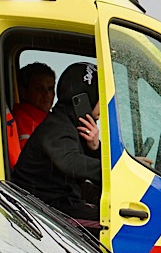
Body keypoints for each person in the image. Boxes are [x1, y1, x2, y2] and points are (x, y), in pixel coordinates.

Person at [9, 60, 102, 222]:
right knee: (114, 220)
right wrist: (114, 170)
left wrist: (94, 148)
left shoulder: (67, 122)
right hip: (38, 208)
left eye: (50, 89)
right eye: (100, 98)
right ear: (83, 99)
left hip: (53, 204)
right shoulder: (56, 126)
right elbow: (69, 162)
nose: (104, 105)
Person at [4, 62, 56, 167]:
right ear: (23, 92)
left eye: (50, 89)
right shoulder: (22, 120)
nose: (47, 94)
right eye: (39, 89)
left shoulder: (49, 119)